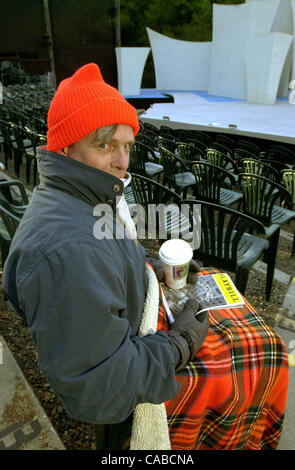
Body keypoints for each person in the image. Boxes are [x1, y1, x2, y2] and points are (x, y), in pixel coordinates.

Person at [2, 63, 289, 451]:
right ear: (66, 147)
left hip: (131, 323)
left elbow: (114, 257)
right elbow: (97, 390)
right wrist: (183, 341)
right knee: (265, 355)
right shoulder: (66, 252)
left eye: (127, 146)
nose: (122, 162)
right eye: (104, 145)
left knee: (253, 336)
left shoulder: (82, 196)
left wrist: (154, 266)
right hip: (125, 376)